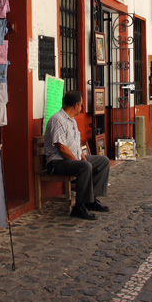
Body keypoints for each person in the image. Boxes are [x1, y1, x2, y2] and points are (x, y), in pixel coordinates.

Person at [44, 90, 110, 219]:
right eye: (81, 104)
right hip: (57, 162)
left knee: (103, 161)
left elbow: (75, 144)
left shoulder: (72, 120)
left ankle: (90, 200)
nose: (82, 107)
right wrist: (79, 162)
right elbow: (61, 147)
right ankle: (79, 207)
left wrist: (82, 158)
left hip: (71, 159)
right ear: (76, 105)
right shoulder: (57, 119)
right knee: (85, 167)